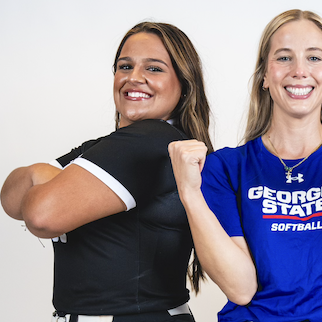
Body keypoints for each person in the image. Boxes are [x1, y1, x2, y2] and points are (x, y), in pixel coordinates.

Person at [168, 9, 322, 322]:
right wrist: (190, 193)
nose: (300, 70)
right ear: (264, 76)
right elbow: (240, 288)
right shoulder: (226, 168)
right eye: (284, 58)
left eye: (313, 58)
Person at [1, 22, 212, 322]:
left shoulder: (152, 140)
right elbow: (11, 197)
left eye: (154, 68)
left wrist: (45, 179)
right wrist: (40, 175)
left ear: (184, 84)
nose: (134, 78)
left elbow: (40, 214)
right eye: (125, 66)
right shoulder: (108, 147)